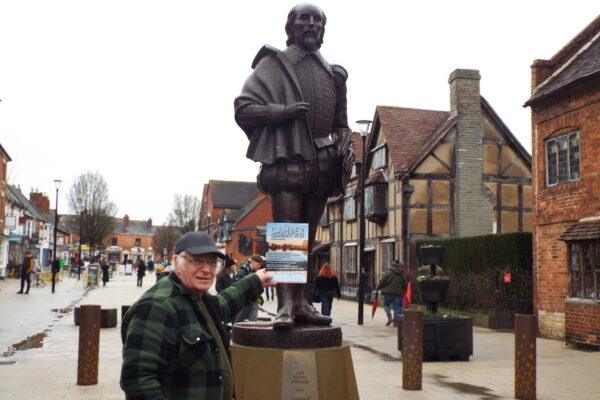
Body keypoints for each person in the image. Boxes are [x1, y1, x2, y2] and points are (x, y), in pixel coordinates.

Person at [235, 4, 354, 329]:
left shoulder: (333, 74)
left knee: (308, 239)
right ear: (291, 26)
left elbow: (340, 123)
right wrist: (282, 112)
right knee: (288, 236)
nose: (311, 25)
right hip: (287, 159)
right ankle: (286, 305)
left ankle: (302, 303)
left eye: (317, 20)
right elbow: (243, 108)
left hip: (322, 165)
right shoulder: (273, 65)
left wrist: (345, 144)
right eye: (305, 19)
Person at [121, 231, 274, 399]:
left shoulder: (198, 298)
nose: (206, 269)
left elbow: (225, 303)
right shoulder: (157, 307)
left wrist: (256, 280)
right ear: (176, 262)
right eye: (197, 261)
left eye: (212, 262)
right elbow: (138, 381)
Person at [376, 260, 409, 326]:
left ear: (392, 266)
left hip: (388, 293)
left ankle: (389, 317)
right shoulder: (402, 274)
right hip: (398, 294)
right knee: (397, 308)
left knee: (386, 305)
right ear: (398, 266)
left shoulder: (388, 272)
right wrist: (404, 290)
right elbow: (405, 284)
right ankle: (396, 322)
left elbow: (382, 281)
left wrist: (378, 287)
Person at [234, 254, 264, 322]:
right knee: (239, 320)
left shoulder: (255, 272)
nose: (260, 266)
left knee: (253, 320)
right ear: (253, 262)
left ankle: (253, 327)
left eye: (260, 265)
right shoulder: (242, 272)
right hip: (244, 301)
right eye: (258, 264)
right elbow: (237, 285)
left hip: (253, 300)